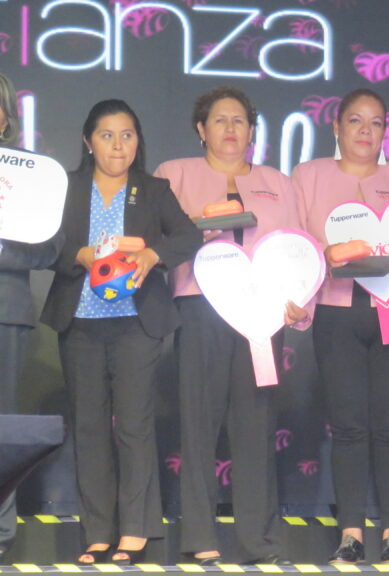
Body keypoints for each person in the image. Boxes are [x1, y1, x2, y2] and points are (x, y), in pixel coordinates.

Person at [40, 99, 201, 565]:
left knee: (134, 426)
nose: (118, 145)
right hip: (80, 322)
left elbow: (188, 235)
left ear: (137, 141)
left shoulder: (153, 190)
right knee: (89, 428)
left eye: (127, 135)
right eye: (107, 135)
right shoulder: (68, 188)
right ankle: (97, 533)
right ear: (88, 142)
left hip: (137, 323)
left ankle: (134, 531)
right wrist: (79, 254)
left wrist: (153, 255)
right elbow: (45, 243)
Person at [154, 86, 307, 566]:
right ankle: (201, 536)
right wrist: (194, 225)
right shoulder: (174, 174)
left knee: (256, 426)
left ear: (252, 131)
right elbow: (156, 239)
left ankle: (259, 541)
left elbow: (299, 247)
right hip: (201, 307)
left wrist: (298, 300)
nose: (230, 129)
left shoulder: (278, 182)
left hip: (262, 315)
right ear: (201, 129)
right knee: (199, 424)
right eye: (220, 120)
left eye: (240, 120)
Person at [292, 88, 389, 565]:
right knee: (349, 427)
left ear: (385, 131)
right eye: (355, 120)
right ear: (336, 126)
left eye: (376, 123)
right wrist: (323, 253)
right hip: (337, 311)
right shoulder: (309, 175)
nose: (365, 131)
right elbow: (295, 241)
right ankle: (350, 534)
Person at [0, 73, 64, 565]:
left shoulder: (32, 176)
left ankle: (0, 534)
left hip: (7, 313)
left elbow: (49, 249)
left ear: (7, 117)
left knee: (2, 427)